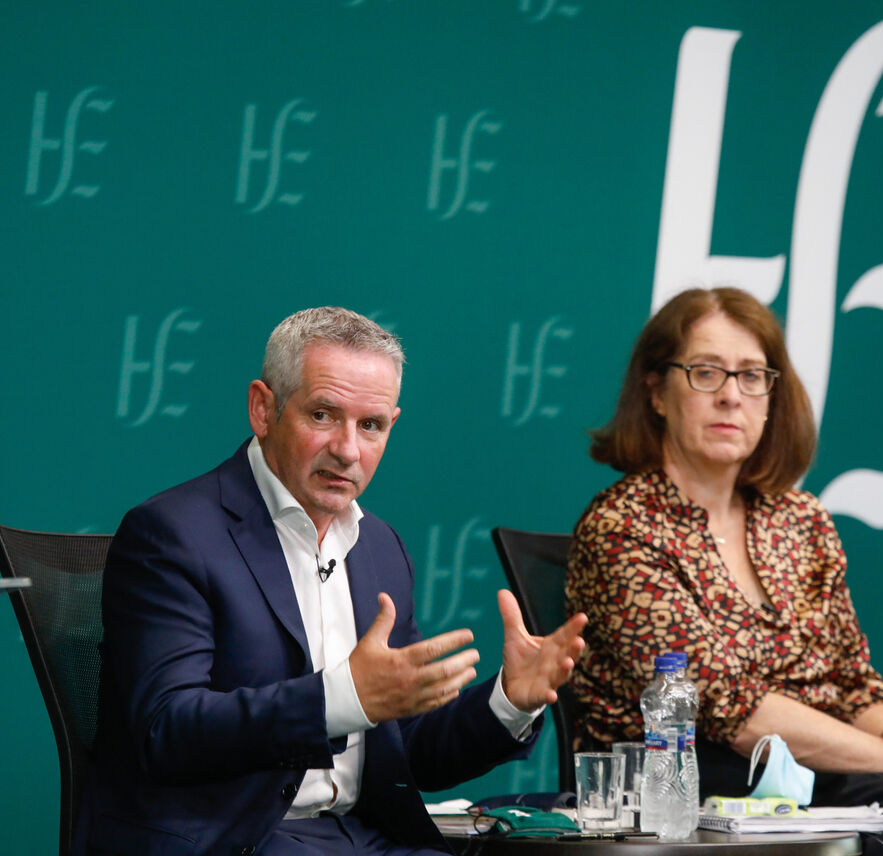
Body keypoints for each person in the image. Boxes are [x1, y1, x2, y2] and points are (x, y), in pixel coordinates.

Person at [76, 307, 587, 856]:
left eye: (371, 426)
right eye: (323, 415)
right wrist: (342, 698)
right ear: (263, 408)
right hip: (234, 839)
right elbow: (168, 730)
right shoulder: (173, 534)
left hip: (362, 836)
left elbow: (410, 752)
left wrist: (510, 701)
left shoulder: (381, 547)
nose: (348, 450)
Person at [565, 287, 883, 855]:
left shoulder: (800, 519)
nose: (731, 397)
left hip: (801, 776)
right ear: (657, 392)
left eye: (751, 376)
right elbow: (729, 710)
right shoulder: (623, 526)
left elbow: (848, 685)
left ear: (772, 396)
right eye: (705, 373)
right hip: (687, 787)